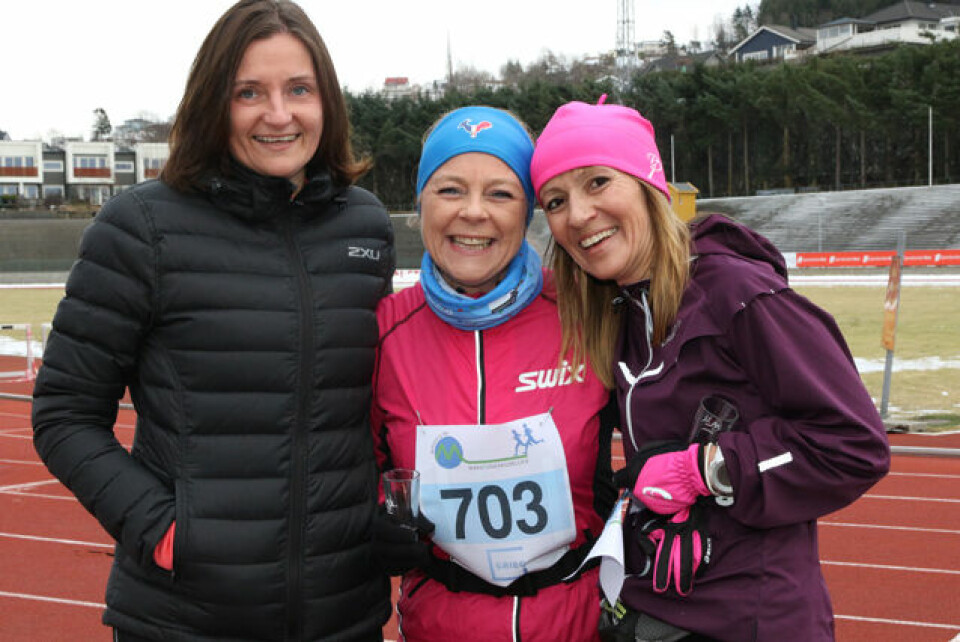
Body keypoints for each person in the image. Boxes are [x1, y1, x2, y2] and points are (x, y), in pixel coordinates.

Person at [31, 1, 394, 640]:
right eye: (247, 92)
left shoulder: (364, 225)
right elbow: (63, 413)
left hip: (343, 616)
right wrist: (166, 530)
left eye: (298, 90)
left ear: (326, 102)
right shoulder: (139, 228)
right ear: (211, 103)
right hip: (184, 619)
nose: (278, 114)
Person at [529, 96, 891, 641]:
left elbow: (853, 444)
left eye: (599, 182)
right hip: (652, 609)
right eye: (556, 201)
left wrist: (710, 469)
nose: (578, 214)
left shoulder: (738, 295)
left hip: (752, 621)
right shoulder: (620, 309)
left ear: (649, 184)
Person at [370, 106, 618, 641]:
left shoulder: (590, 310)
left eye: (501, 193)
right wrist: (372, 521)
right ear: (419, 206)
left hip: (575, 626)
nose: (474, 213)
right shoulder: (383, 332)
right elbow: (346, 472)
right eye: (450, 190)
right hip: (437, 624)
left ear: (528, 209)